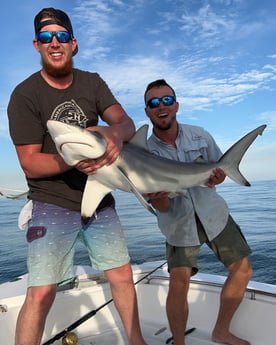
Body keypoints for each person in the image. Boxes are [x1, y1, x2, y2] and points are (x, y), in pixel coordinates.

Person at [7, 8, 147, 345]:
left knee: (123, 277)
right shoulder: (24, 96)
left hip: (100, 199)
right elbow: (29, 164)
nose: (54, 43)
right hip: (51, 201)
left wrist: (114, 134)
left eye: (61, 36)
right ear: (37, 45)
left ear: (73, 43)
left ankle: (138, 341)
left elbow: (126, 124)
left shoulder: (92, 82)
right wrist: (74, 159)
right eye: (45, 37)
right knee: (41, 294)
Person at [143, 79, 252, 345]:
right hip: (177, 222)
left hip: (213, 213)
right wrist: (158, 199)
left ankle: (221, 330)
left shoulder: (200, 135)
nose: (161, 106)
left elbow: (221, 173)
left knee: (243, 270)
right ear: (147, 111)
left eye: (167, 100)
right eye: (153, 102)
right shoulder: (143, 152)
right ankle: (179, 343)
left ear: (176, 105)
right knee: (179, 283)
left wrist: (217, 177)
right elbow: (161, 206)